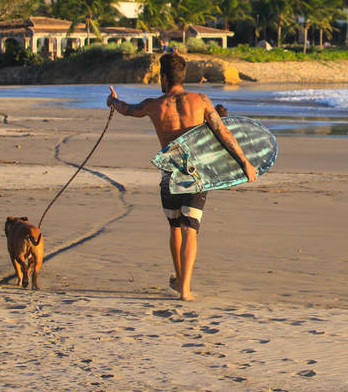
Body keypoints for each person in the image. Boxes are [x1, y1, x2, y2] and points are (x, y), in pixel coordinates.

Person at [107, 53, 257, 301]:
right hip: (195, 173)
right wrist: (245, 163)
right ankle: (185, 288)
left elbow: (127, 109)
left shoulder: (154, 105)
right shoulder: (201, 100)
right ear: (182, 77)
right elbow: (222, 133)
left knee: (175, 227)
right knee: (190, 229)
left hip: (170, 172)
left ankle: (179, 279)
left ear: (164, 78)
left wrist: (111, 100)